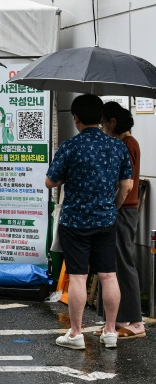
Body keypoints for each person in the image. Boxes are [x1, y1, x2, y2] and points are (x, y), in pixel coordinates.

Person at [46, 94, 133, 350]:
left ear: (76, 118)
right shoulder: (118, 146)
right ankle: (109, 331)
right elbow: (127, 186)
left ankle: (75, 333)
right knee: (108, 275)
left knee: (77, 277)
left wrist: (66, 177)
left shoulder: (70, 146)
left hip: (75, 221)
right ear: (101, 118)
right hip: (106, 220)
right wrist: (113, 208)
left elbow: (50, 181)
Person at [94, 101, 145, 339]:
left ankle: (136, 322)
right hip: (122, 210)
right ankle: (117, 321)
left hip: (123, 211)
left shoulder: (127, 144)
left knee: (123, 264)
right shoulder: (124, 144)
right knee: (113, 265)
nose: (102, 127)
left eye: (104, 123)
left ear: (113, 122)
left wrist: (112, 209)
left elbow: (126, 186)